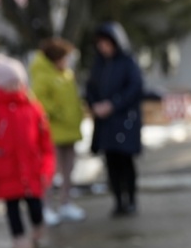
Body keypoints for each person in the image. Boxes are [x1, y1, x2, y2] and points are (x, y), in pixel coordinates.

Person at [0, 54, 56, 248]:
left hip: (31, 167)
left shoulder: (32, 107)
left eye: (17, 83)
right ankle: (19, 237)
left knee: (35, 204)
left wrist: (46, 166)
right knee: (12, 208)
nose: (14, 87)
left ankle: (38, 227)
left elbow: (44, 139)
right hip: (6, 169)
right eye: (9, 83)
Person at [86, 22, 143, 217]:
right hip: (105, 122)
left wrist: (113, 104)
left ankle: (132, 199)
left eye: (107, 43)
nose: (104, 47)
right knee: (111, 163)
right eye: (101, 43)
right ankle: (118, 200)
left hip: (124, 120)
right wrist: (95, 105)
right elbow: (90, 89)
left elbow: (135, 87)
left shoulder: (127, 62)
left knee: (125, 161)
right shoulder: (99, 64)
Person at [30, 38, 86, 224]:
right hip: (52, 130)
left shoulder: (67, 74)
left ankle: (66, 203)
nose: (67, 61)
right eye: (65, 57)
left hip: (69, 129)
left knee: (68, 169)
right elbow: (40, 101)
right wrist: (60, 112)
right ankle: (46, 207)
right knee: (49, 171)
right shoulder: (42, 75)